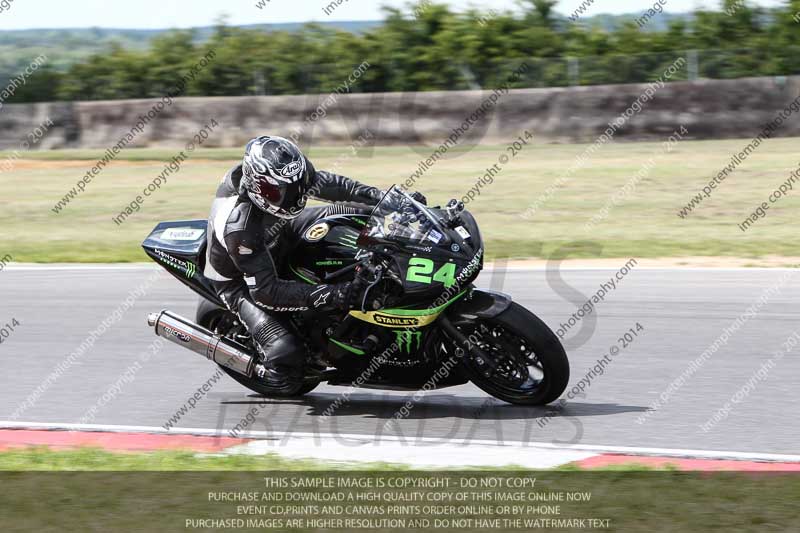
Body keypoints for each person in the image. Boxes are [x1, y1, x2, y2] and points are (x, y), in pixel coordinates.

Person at [204, 135, 425, 395]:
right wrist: (337, 294)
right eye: (282, 193)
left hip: (281, 232)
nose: (295, 197)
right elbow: (267, 291)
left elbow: (335, 186)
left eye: (299, 187)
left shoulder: (284, 177)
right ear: (259, 187)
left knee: (355, 214)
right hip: (239, 281)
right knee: (286, 354)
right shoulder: (240, 227)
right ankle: (271, 367)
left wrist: (387, 200)